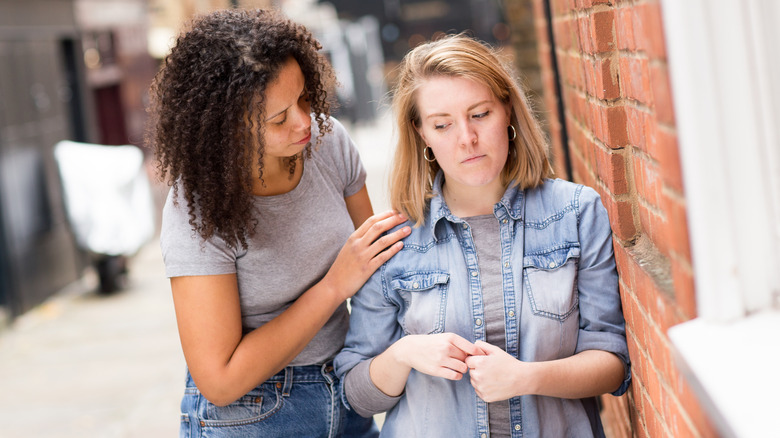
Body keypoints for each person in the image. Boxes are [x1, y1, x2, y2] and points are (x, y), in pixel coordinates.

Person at [334, 35, 631, 437]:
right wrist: (403, 353)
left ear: (507, 110)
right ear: (422, 134)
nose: (466, 138)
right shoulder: (394, 243)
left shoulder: (575, 213)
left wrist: (525, 378)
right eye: (442, 124)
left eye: (479, 114)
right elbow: (357, 396)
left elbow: (612, 364)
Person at [147, 9, 410, 437]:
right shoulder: (196, 206)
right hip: (252, 413)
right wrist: (332, 287)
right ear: (227, 128)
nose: (305, 121)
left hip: (346, 390)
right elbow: (220, 380)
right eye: (279, 118)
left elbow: (375, 267)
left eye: (304, 98)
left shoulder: (329, 143)